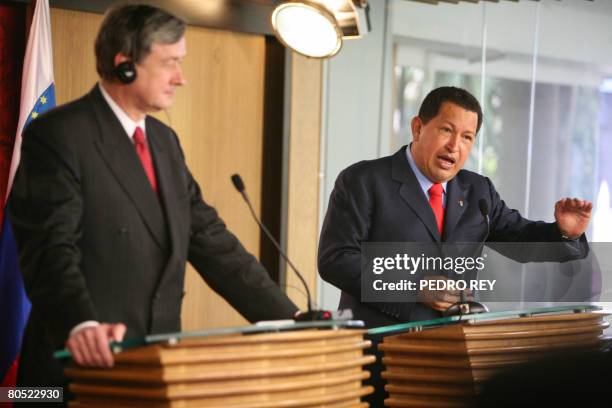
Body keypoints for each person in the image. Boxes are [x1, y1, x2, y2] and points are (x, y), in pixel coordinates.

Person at [8, 4, 297, 388]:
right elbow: (49, 247)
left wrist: (290, 319)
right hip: (78, 368)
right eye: (170, 63)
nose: (181, 78)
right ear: (125, 64)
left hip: (153, 366)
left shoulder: (165, 142)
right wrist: (81, 323)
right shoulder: (59, 135)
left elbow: (211, 241)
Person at [318, 86, 592, 328]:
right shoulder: (363, 180)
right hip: (382, 351)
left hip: (454, 352)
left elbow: (520, 239)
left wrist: (564, 233)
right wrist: (416, 288)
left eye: (467, 137)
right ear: (418, 128)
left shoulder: (478, 191)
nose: (454, 146)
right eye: (447, 130)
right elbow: (337, 259)